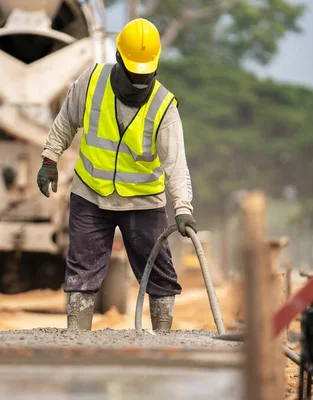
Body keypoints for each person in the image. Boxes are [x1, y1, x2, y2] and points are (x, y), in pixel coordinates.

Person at [36, 18, 196, 331]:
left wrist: (183, 208)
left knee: (159, 273)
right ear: (119, 60)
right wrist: (50, 157)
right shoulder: (92, 82)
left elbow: (176, 164)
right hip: (90, 194)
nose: (138, 82)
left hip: (143, 201)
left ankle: (162, 336)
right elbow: (67, 119)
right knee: (82, 268)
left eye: (145, 76)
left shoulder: (164, 107)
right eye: (133, 75)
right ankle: (76, 336)